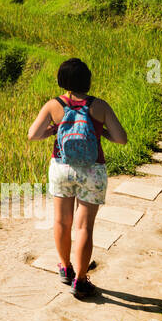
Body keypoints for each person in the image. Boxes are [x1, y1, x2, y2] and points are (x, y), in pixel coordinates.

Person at [26, 57, 127, 300]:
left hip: (62, 167)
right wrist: (101, 131)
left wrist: (53, 129)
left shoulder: (54, 105)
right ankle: (81, 282)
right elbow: (121, 138)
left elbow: (33, 134)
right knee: (84, 226)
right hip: (92, 170)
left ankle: (65, 267)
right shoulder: (99, 106)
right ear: (88, 80)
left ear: (63, 80)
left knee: (62, 222)